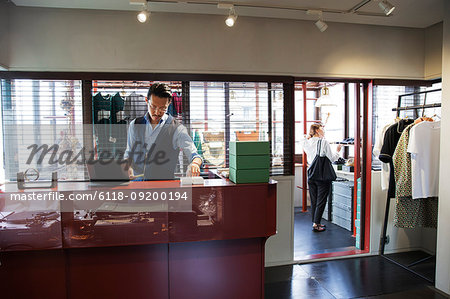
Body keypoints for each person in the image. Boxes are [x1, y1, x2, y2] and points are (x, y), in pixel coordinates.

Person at [124, 83, 202, 180]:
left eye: (162, 108)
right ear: (146, 101)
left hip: (164, 189)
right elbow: (129, 153)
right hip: (137, 187)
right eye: (153, 106)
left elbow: (194, 155)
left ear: (168, 104)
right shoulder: (134, 125)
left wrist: (194, 164)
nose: (157, 112)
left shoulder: (177, 129)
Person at [302, 123, 342, 232]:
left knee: (314, 200)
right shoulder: (323, 142)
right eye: (321, 129)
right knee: (321, 200)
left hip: (311, 174)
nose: (323, 130)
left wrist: (308, 136)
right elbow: (332, 158)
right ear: (317, 131)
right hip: (322, 175)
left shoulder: (306, 142)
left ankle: (315, 222)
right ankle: (316, 224)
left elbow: (305, 140)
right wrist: (338, 150)